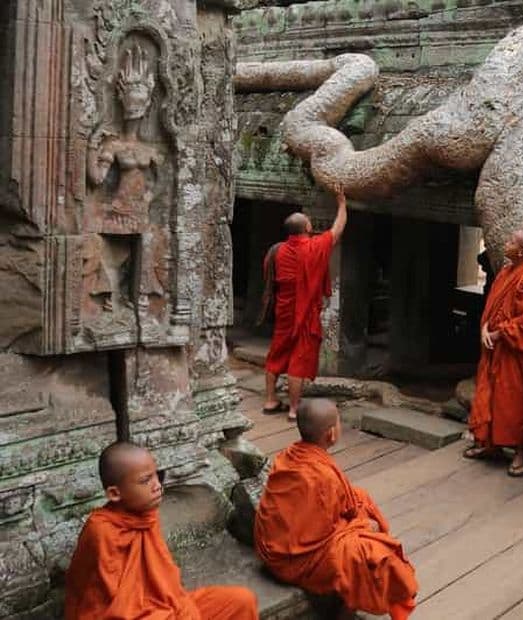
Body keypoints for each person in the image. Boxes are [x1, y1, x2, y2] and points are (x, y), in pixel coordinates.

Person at [254, 399, 417, 620]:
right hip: (295, 560)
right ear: (331, 434)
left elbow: (330, 508)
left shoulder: (288, 455)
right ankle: (344, 614)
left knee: (361, 498)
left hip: (274, 545)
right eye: (339, 421)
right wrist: (360, 525)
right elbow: (335, 518)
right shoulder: (323, 475)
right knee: (372, 555)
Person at [65, 442, 258, 619]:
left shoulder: (146, 516)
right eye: (145, 481)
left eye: (157, 476)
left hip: (163, 607)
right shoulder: (101, 531)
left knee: (241, 601)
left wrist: (178, 609)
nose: (157, 486)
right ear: (115, 493)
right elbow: (116, 610)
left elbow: (164, 584)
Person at [464, 230, 523, 476]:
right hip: (493, 348)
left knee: (514, 402)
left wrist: (499, 333)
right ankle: (491, 445)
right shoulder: (504, 272)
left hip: (514, 352)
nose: (506, 243)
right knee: (490, 396)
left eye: (511, 241)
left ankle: (520, 452)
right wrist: (484, 329)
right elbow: (491, 307)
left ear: (521, 251)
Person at [262, 187, 348, 419]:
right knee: (298, 362)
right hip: (305, 314)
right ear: (307, 228)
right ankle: (293, 408)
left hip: (284, 311)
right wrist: (341, 204)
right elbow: (337, 229)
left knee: (276, 354)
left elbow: (269, 278)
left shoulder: (277, 251)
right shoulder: (313, 247)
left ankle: (270, 400)